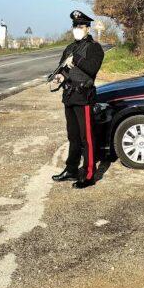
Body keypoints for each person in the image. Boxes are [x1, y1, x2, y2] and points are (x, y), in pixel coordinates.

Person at [50, 10, 105, 189]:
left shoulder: (94, 48)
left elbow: (92, 69)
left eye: (80, 26)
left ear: (87, 28)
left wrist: (77, 59)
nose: (77, 29)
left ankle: (89, 174)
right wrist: (59, 77)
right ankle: (71, 169)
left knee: (86, 138)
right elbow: (63, 69)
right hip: (69, 96)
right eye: (74, 26)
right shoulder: (70, 48)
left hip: (84, 97)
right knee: (73, 137)